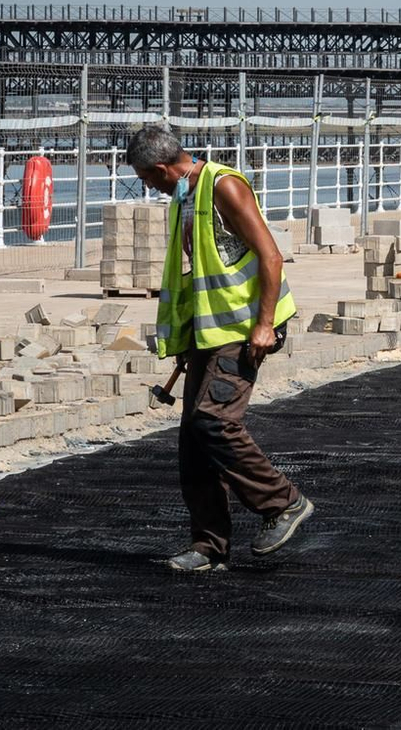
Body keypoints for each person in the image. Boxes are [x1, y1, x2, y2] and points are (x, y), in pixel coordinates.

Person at [125, 126, 312, 572]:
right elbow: (198, 270)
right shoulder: (184, 196)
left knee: (214, 422)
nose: (148, 186)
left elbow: (270, 255)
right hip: (210, 331)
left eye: (147, 178)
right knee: (194, 439)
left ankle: (283, 503)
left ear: (162, 168)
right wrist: (187, 338)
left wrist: (265, 325)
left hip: (247, 327)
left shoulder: (223, 184)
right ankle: (209, 547)